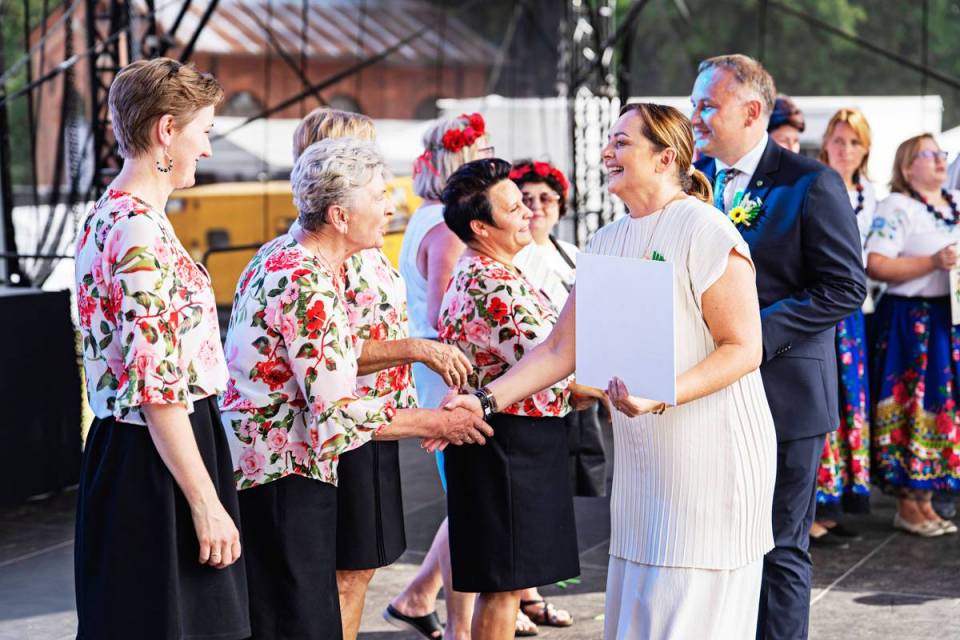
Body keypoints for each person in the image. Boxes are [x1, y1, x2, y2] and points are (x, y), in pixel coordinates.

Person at [444, 103, 778, 639]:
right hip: (646, 463)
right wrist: (483, 401)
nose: (605, 152)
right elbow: (559, 351)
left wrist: (662, 393)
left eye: (621, 142)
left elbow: (743, 348)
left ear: (665, 157)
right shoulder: (606, 241)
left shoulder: (707, 230)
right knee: (640, 616)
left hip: (712, 458)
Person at [220, 138, 493, 639]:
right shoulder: (305, 281)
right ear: (340, 216)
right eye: (379, 195)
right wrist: (440, 423)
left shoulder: (288, 257)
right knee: (298, 623)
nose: (392, 206)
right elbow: (337, 413)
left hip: (279, 467)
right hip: (280, 474)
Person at [73, 58, 249, 639]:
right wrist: (205, 502)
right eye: (205, 131)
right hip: (158, 456)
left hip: (141, 449)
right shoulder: (138, 229)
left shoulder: (113, 215)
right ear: (166, 130)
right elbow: (156, 386)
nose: (208, 149)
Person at [692, 54, 866, 639]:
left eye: (707, 105)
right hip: (705, 389)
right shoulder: (692, 182)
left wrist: (750, 336)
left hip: (783, 393)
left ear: (751, 111)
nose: (695, 117)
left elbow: (844, 287)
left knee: (779, 545)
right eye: (694, 104)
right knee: (717, 542)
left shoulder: (810, 183)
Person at [289, 107, 472, 640]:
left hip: (373, 421)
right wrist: (416, 351)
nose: (383, 186)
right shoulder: (324, 254)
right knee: (346, 571)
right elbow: (334, 352)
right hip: (347, 426)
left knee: (360, 568)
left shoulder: (359, 247)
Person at [434, 158, 582, 640]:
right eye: (515, 207)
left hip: (512, 440)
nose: (528, 214)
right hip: (507, 443)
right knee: (503, 587)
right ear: (481, 227)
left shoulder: (492, 269)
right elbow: (552, 362)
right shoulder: (489, 280)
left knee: (507, 584)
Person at [387, 113, 494, 640]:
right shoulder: (445, 227)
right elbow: (447, 314)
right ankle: (459, 625)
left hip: (443, 374)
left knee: (467, 502)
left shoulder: (425, 217)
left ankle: (418, 596)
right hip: (453, 377)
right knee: (470, 506)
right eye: (485, 151)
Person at [508, 159, 589, 632]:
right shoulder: (512, 258)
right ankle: (516, 598)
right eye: (526, 198)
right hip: (533, 389)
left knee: (546, 500)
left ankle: (528, 592)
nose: (537, 207)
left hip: (569, 388)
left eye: (546, 198)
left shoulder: (571, 253)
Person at [865, 133, 960, 537]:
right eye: (928, 154)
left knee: (941, 404)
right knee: (910, 405)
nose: (939, 160)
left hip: (946, 319)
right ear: (907, 167)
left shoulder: (954, 203)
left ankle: (926, 499)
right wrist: (932, 261)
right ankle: (906, 502)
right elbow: (876, 264)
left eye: (941, 154)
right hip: (911, 321)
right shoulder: (897, 207)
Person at [808, 108, 877, 547]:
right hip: (824, 305)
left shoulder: (872, 195)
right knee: (821, 398)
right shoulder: (814, 184)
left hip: (856, 314)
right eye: (838, 140)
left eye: (854, 142)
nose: (846, 150)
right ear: (826, 144)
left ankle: (835, 503)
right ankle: (814, 505)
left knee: (850, 403)